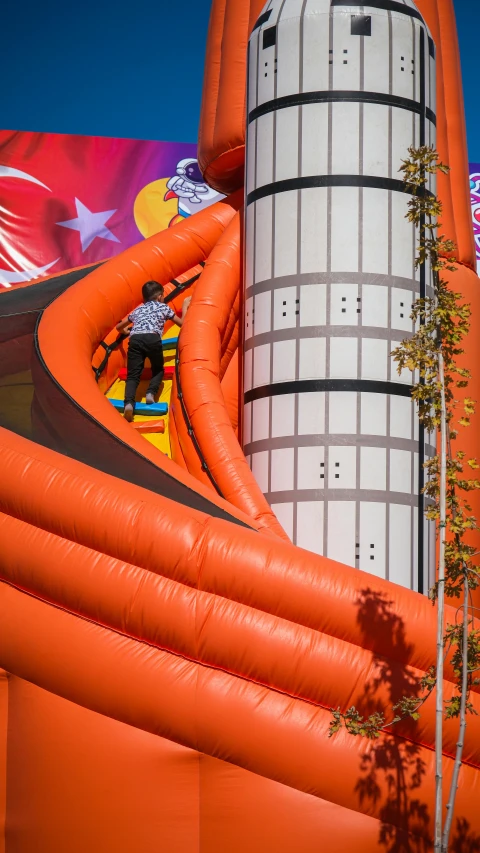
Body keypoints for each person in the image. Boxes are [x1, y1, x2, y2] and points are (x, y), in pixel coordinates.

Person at [116, 280, 189, 422]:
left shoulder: (138, 309)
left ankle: (129, 404)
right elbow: (182, 324)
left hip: (135, 339)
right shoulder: (164, 307)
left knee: (132, 375)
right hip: (152, 338)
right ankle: (150, 394)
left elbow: (119, 326)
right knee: (158, 369)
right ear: (161, 296)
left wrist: (124, 330)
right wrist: (185, 307)